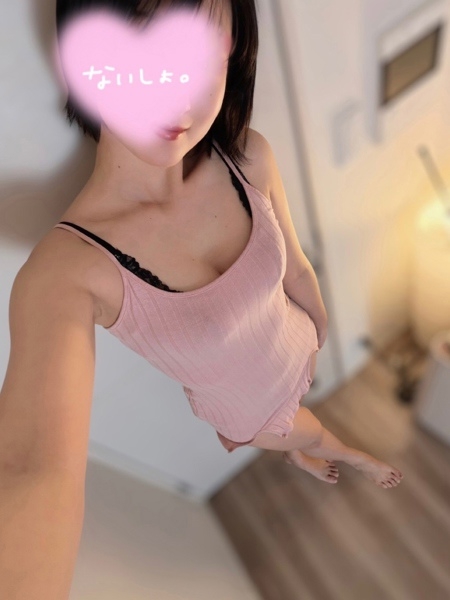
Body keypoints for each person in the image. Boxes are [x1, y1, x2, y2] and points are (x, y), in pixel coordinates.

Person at [0, 0, 403, 595]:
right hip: (252, 410)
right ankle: (329, 453)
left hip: (295, 350)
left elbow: (296, 267)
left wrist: (319, 331)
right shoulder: (68, 273)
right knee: (307, 434)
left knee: (300, 428)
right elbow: (32, 471)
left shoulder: (249, 156)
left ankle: (298, 448)